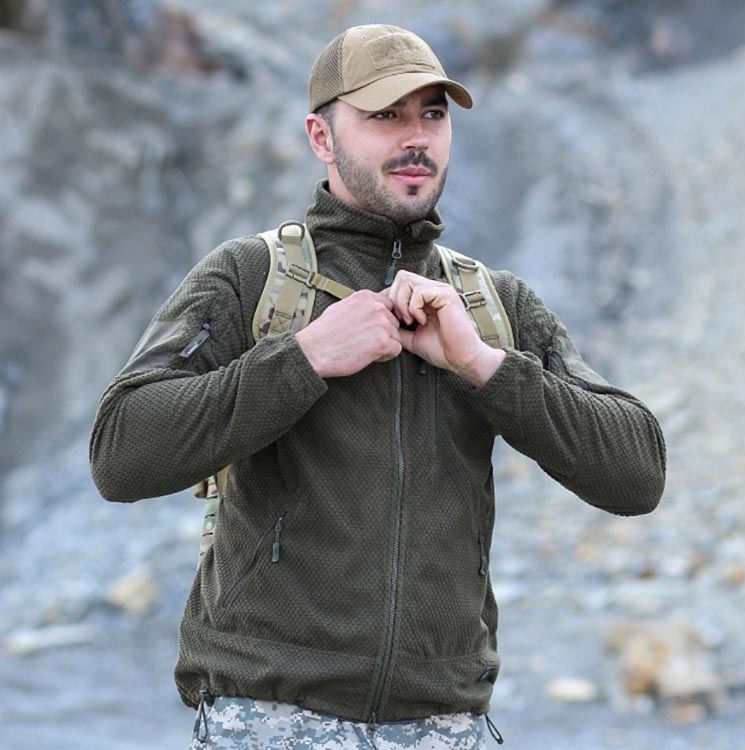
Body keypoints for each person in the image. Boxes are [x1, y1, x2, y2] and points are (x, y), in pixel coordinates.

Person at [90, 23, 666, 750]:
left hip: (444, 727)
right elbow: (120, 454)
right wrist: (303, 358)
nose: (416, 138)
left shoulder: (495, 305)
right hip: (271, 722)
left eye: (433, 114)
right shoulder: (248, 278)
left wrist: (484, 366)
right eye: (385, 115)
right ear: (321, 137)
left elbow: (638, 475)